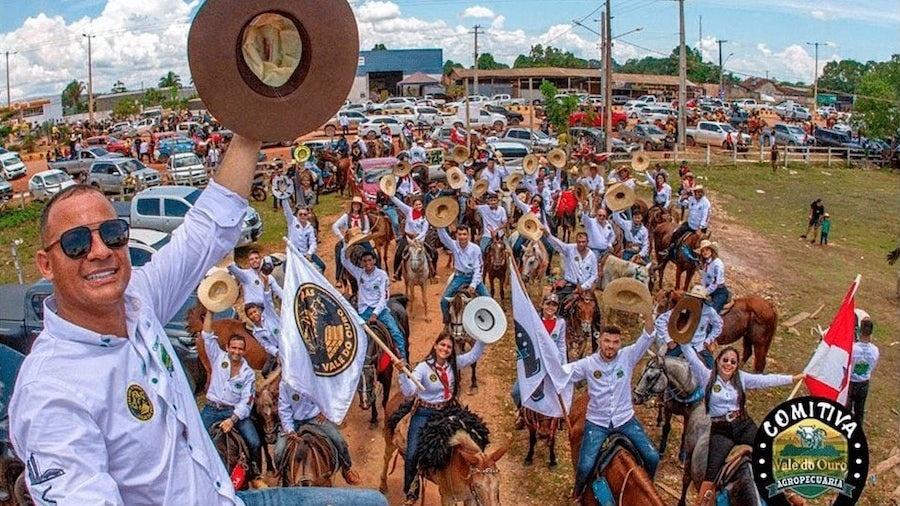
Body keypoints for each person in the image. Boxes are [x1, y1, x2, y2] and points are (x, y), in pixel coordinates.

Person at [8, 134, 295, 504]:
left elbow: (207, 230)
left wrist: (251, 127)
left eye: (112, 235)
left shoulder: (138, 300)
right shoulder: (50, 393)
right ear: (46, 264)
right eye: (76, 243)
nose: (100, 252)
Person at [681, 343, 800, 506]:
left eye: (733, 362)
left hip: (743, 424)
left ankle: (787, 492)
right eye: (725, 360)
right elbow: (692, 358)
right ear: (718, 361)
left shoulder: (742, 378)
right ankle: (703, 502)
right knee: (710, 473)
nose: (728, 364)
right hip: (721, 429)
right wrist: (682, 339)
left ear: (736, 365)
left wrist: (792, 379)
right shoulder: (707, 376)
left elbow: (764, 380)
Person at [562, 317, 660, 498]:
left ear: (620, 343)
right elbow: (562, 373)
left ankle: (644, 489)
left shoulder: (628, 356)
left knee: (653, 457)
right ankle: (578, 493)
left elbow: (647, 336)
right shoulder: (588, 364)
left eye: (615, 342)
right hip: (597, 423)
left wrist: (648, 311)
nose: (611, 346)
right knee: (584, 465)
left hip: (625, 420)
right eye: (607, 341)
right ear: (600, 340)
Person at [396, 332, 487, 504]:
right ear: (436, 345)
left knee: (477, 434)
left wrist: (484, 336)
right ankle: (411, 488)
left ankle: (478, 473)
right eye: (442, 345)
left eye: (449, 347)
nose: (445, 349)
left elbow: (474, 355)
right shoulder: (423, 367)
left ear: (452, 351)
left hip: (448, 410)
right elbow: (408, 392)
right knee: (412, 452)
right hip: (425, 413)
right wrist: (402, 374)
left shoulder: (454, 363)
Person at [199, 311, 262, 475]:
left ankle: (255, 474)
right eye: (233, 348)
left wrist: (232, 420)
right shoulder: (217, 357)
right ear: (227, 347)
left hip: (233, 412)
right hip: (211, 409)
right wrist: (210, 311)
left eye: (240, 349)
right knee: (195, 439)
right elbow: (206, 335)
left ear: (244, 350)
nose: (236, 351)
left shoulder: (248, 373)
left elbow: (247, 402)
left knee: (254, 442)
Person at [275, 382, 360, 484]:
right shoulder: (285, 383)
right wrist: (289, 429)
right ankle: (283, 475)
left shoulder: (316, 376)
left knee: (339, 440)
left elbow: (329, 394)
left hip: (315, 418)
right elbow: (284, 408)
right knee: (278, 452)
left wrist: (326, 411)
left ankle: (347, 468)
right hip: (294, 421)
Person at [341, 248, 407, 360]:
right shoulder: (359, 273)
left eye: (369, 260)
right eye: (365, 261)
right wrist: (346, 245)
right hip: (363, 311)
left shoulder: (382, 275)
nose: (367, 263)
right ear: (362, 263)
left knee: (396, 332)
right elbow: (345, 261)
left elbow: (384, 297)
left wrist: (375, 313)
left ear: (374, 261)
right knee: (351, 335)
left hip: (380, 310)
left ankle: (403, 358)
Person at [511, 293, 566, 426]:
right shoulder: (535, 321)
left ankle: (559, 416)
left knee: (559, 392)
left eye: (554, 305)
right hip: (534, 363)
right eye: (548, 304)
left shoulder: (561, 323)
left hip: (552, 364)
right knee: (517, 391)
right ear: (542, 305)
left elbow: (561, 344)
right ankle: (522, 413)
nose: (550, 307)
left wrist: (563, 364)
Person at [656, 285, 723, 367]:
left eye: (699, 299)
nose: (696, 300)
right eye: (694, 298)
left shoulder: (709, 311)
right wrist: (669, 340)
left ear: (703, 300)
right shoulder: (683, 306)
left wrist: (708, 340)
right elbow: (660, 321)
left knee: (711, 370)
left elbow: (719, 325)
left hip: (699, 346)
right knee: (663, 365)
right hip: (681, 344)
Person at [437, 225, 489, 322]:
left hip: (473, 277)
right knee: (444, 301)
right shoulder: (453, 245)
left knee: (488, 300)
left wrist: (473, 284)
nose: (462, 237)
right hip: (459, 277)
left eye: (464, 234)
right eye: (460, 234)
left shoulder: (475, 248)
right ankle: (447, 322)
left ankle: (486, 325)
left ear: (468, 236)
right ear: (456, 235)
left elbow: (478, 268)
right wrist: (439, 225)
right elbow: (444, 238)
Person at [228, 250, 282, 323]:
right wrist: (226, 257)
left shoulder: (269, 277)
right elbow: (232, 268)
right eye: (251, 259)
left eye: (256, 258)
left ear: (260, 259)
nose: (254, 261)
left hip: (268, 312)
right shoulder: (245, 275)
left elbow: (279, 292)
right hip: (253, 314)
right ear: (249, 262)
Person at [390, 194, 434, 281]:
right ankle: (396, 274)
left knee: (433, 252)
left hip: (420, 239)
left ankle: (433, 272)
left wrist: (417, 239)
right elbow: (399, 203)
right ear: (413, 206)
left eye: (420, 204)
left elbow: (424, 231)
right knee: (399, 253)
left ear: (422, 205)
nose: (418, 206)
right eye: (416, 205)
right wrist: (391, 196)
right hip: (407, 237)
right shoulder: (408, 211)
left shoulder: (425, 216)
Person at [332, 196, 371, 284]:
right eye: (355, 204)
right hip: (349, 240)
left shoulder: (364, 217)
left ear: (360, 206)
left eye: (358, 204)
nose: (356, 206)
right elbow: (335, 226)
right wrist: (342, 238)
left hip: (361, 239)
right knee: (340, 254)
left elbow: (367, 229)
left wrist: (362, 234)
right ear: (352, 205)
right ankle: (339, 278)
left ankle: (376, 272)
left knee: (371, 252)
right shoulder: (346, 216)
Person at [665, 185, 710, 260]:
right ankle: (669, 250)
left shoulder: (706, 203)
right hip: (690, 224)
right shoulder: (692, 199)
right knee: (676, 233)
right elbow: (681, 204)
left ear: (702, 193)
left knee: (702, 243)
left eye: (699, 192)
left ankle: (704, 259)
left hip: (699, 228)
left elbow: (705, 217)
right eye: (696, 192)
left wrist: (700, 228)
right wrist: (682, 198)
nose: (697, 194)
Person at [848, 319, 878, 424]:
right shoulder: (875, 350)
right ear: (871, 332)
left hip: (851, 382)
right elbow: (872, 366)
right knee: (859, 411)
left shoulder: (853, 348)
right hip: (864, 382)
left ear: (859, 331)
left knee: (847, 409)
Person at [282, 197, 324, 273]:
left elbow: (313, 242)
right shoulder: (292, 222)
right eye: (300, 214)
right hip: (293, 255)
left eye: (305, 214)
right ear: (297, 215)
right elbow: (287, 210)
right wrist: (283, 198)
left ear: (307, 216)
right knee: (286, 270)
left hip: (305, 254)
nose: (302, 216)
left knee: (322, 266)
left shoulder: (310, 227)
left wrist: (309, 253)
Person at [245, 302, 280, 377]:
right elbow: (266, 345)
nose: (254, 315)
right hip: (276, 350)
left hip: (286, 342)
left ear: (259, 311)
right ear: (248, 317)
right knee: (265, 372)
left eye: (255, 312)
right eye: (250, 314)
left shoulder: (270, 316)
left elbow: (268, 301)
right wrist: (277, 353)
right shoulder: (256, 333)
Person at [698, 240, 729, 312]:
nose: (705, 252)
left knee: (711, 312)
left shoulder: (717, 264)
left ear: (712, 250)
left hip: (719, 292)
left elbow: (715, 283)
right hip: (708, 289)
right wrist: (702, 289)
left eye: (707, 250)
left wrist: (705, 292)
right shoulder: (706, 263)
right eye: (703, 251)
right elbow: (704, 278)